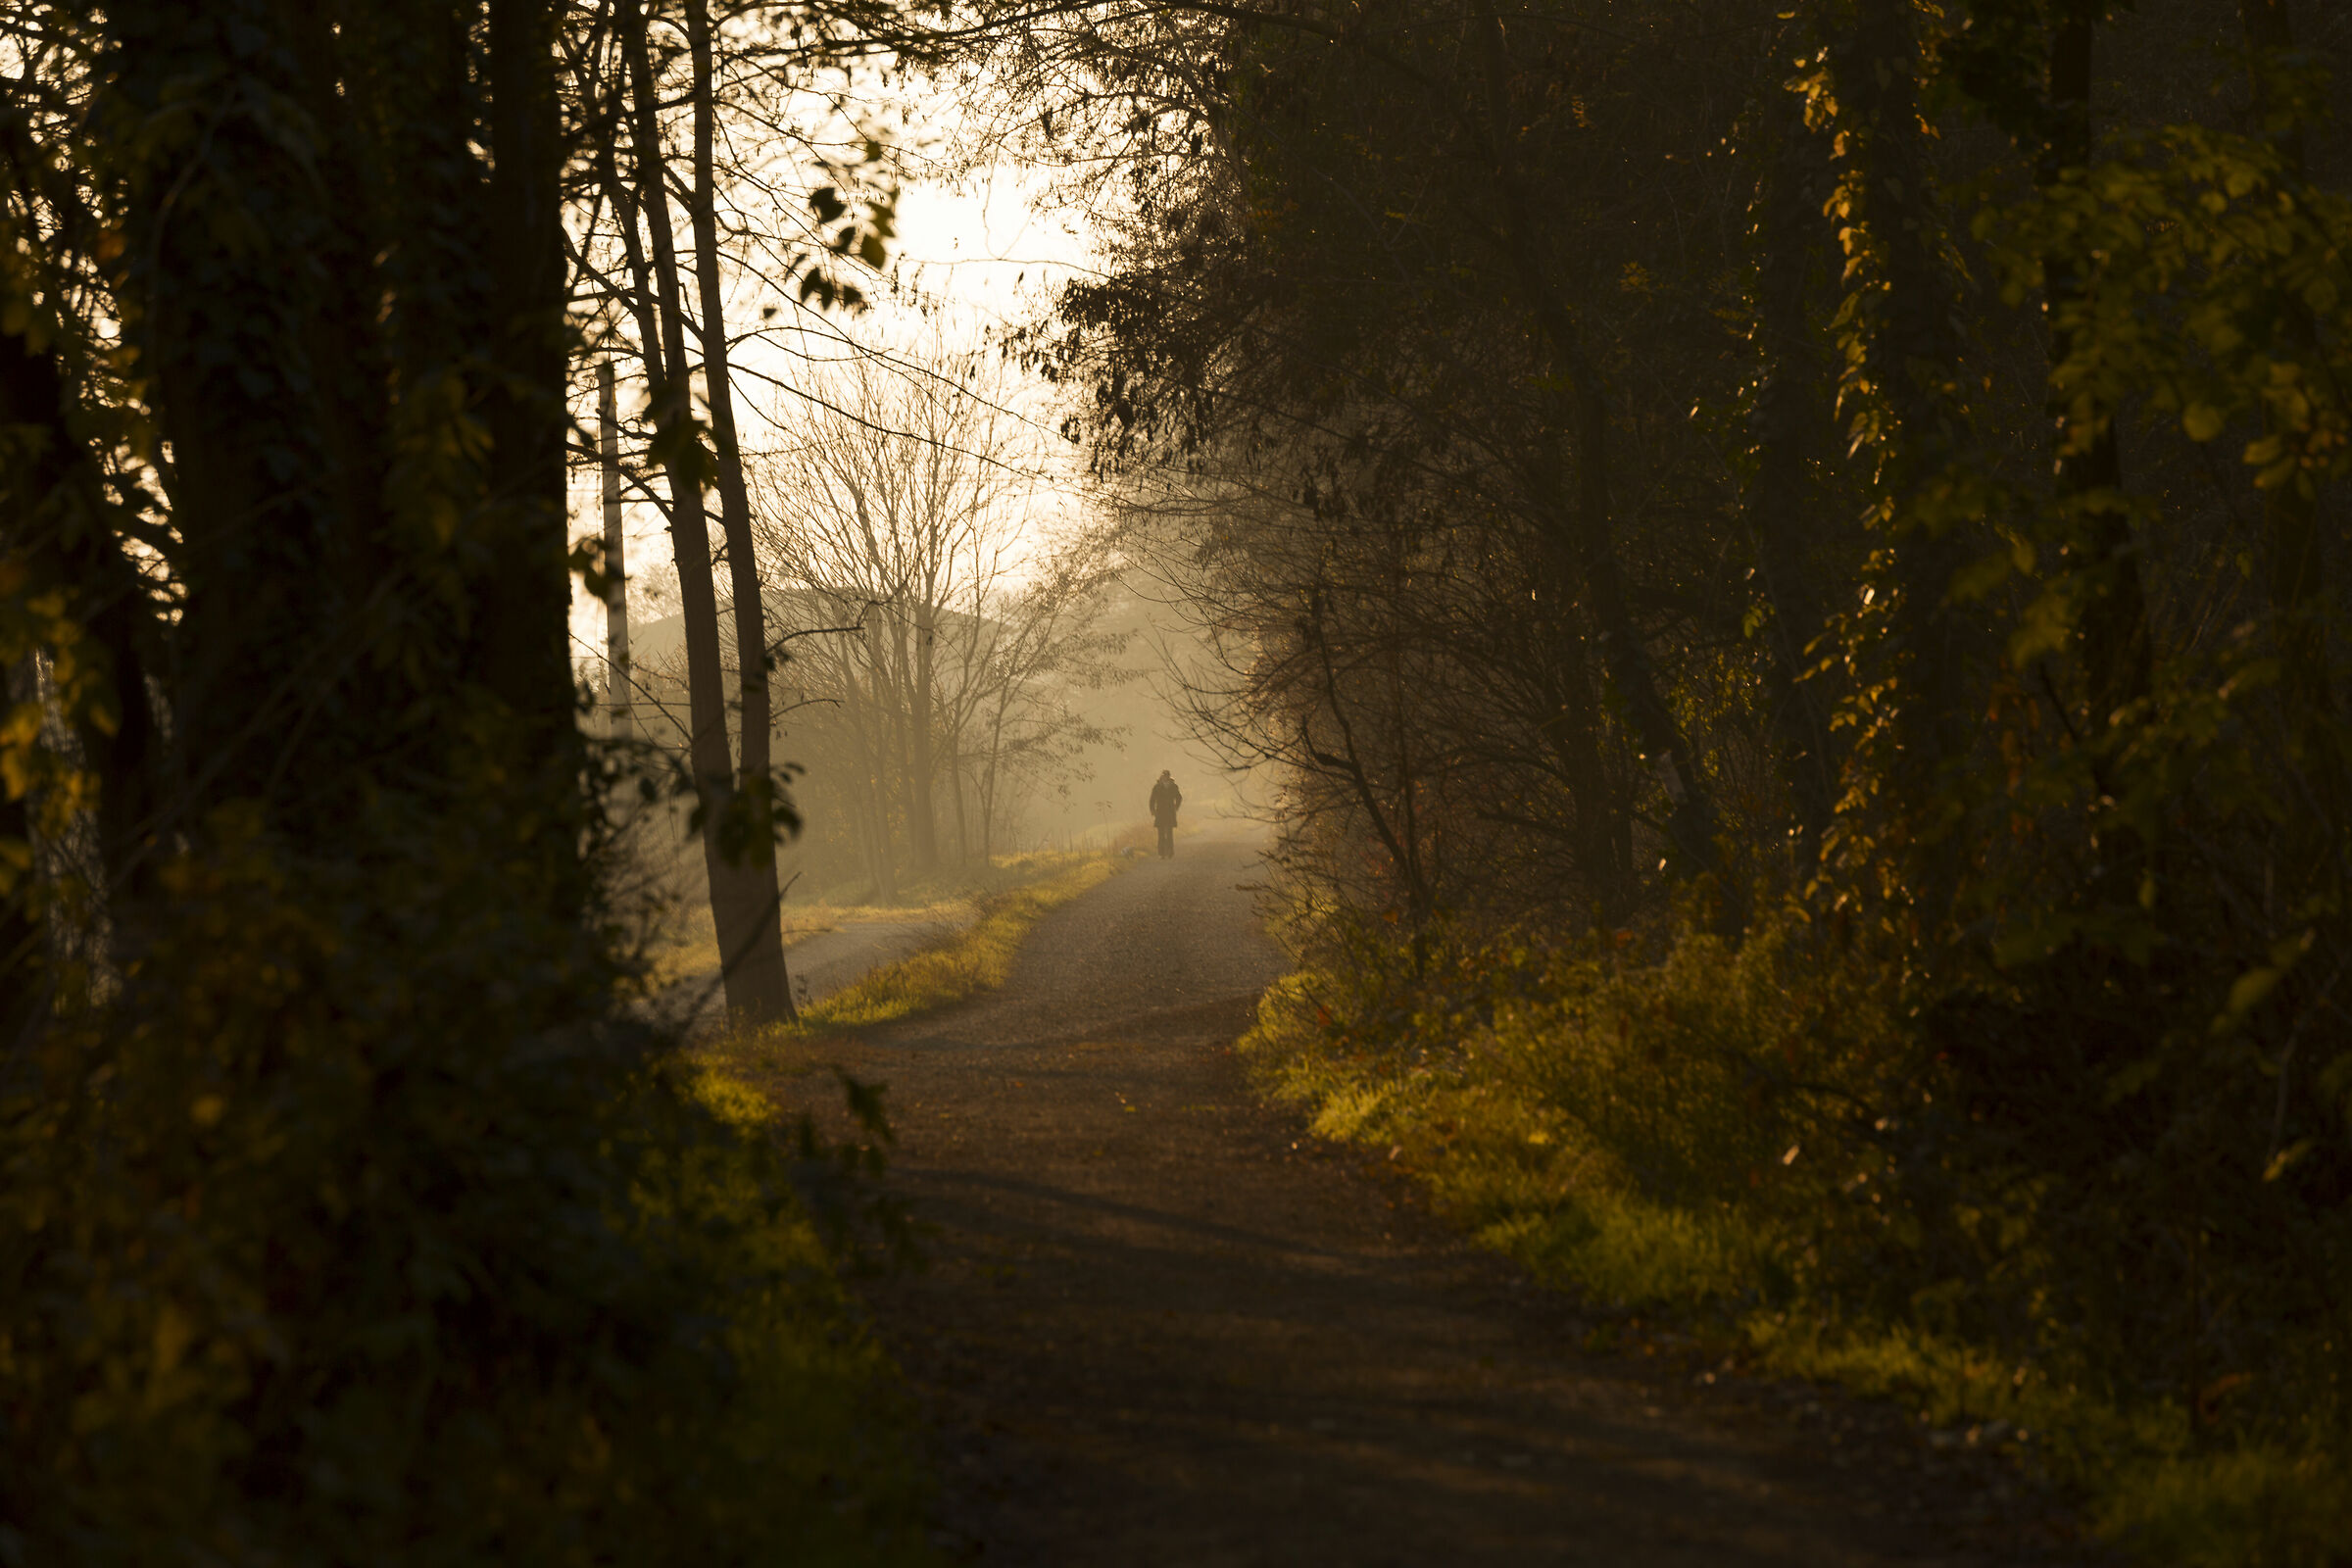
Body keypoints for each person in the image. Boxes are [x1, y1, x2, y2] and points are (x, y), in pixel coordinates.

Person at [1148, 769, 1183, 858]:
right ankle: (1161, 853)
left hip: (1170, 812)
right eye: (1164, 776)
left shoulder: (1174, 786)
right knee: (1161, 834)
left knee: (1169, 833)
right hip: (1160, 812)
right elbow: (1152, 799)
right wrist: (1152, 810)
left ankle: (1170, 852)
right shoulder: (1157, 787)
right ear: (1162, 777)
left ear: (1169, 776)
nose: (1165, 777)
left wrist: (1176, 806)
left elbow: (1179, 797)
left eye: (1167, 776)